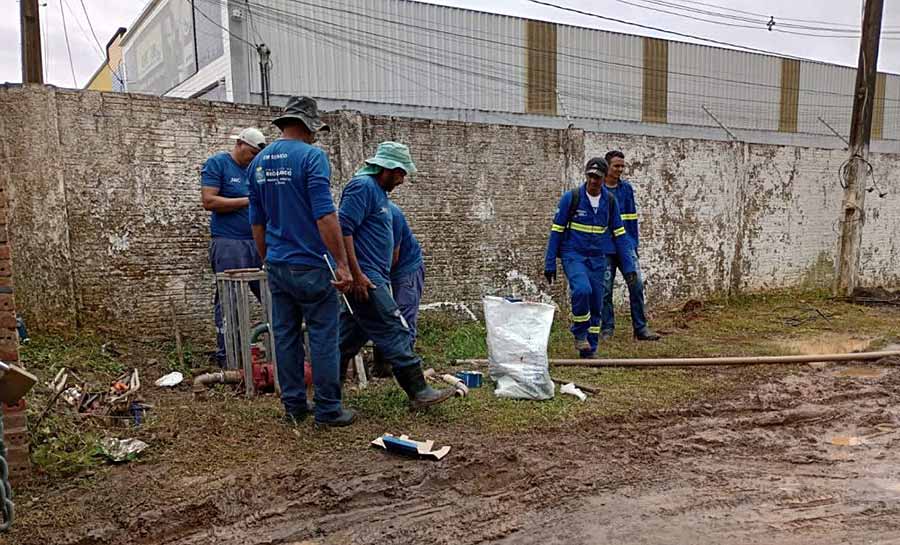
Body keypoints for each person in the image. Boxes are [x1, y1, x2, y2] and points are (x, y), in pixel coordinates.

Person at [248, 96, 356, 427]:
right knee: (323, 335)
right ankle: (327, 410)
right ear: (309, 126)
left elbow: (256, 221)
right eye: (315, 130)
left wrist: (268, 259)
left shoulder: (259, 163)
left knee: (285, 336)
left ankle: (293, 407)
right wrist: (342, 263)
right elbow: (325, 214)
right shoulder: (312, 157)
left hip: (278, 264)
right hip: (311, 265)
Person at [337, 142, 454, 409]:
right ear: (386, 168)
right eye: (400, 172)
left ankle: (329, 396)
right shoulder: (362, 187)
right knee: (395, 328)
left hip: (373, 275)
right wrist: (355, 274)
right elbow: (343, 230)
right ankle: (419, 391)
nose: (403, 179)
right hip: (366, 278)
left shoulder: (378, 193)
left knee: (346, 339)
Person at [543, 157, 635, 359]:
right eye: (591, 176)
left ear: (604, 179)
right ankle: (579, 333)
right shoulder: (572, 198)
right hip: (573, 255)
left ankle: (590, 349)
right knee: (582, 290)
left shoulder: (610, 202)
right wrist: (550, 262)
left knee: (596, 302)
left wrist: (629, 268)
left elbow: (620, 235)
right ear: (586, 175)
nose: (593, 181)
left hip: (597, 258)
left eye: (598, 177)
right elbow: (556, 231)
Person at [200, 127, 267, 368]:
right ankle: (228, 357)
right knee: (230, 301)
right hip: (229, 243)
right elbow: (209, 200)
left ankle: (277, 353)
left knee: (272, 296)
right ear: (239, 144)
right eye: (250, 153)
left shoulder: (256, 170)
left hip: (257, 242)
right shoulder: (218, 164)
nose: (252, 158)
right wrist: (248, 201)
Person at [601, 150, 660, 341]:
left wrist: (634, 245)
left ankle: (640, 328)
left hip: (626, 247)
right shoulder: (597, 190)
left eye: (622, 166)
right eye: (616, 166)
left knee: (636, 286)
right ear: (607, 166)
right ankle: (607, 329)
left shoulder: (626, 189)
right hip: (605, 249)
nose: (620, 169)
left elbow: (631, 218)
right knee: (605, 290)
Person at [371, 201, 425, 377]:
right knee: (379, 313)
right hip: (380, 267)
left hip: (406, 267)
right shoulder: (359, 212)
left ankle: (407, 371)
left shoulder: (392, 215)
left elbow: (392, 258)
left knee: (402, 314)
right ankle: (382, 365)